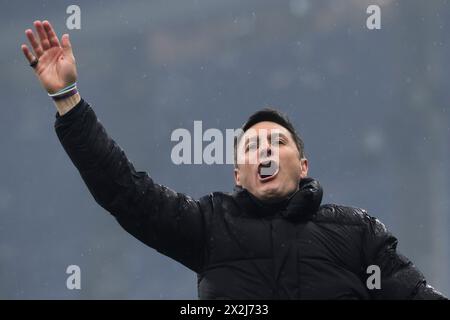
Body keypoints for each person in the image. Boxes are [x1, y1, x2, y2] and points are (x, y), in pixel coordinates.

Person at [22, 20, 447, 299]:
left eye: (278, 142)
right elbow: (125, 191)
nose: (263, 149)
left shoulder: (357, 232)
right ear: (238, 176)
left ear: (303, 166)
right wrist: (67, 99)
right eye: (250, 146)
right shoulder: (209, 225)